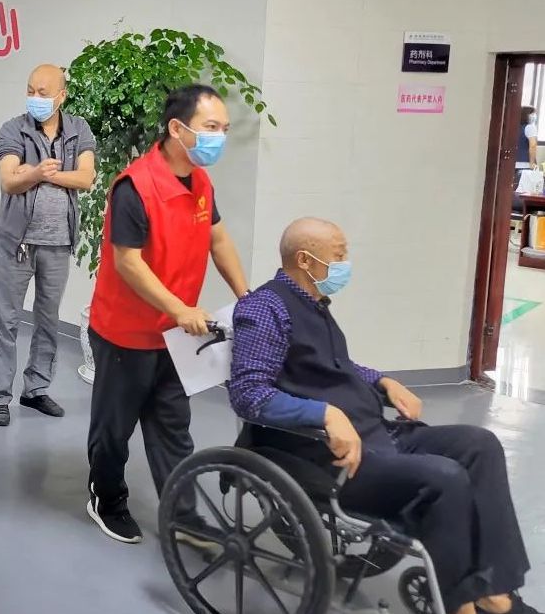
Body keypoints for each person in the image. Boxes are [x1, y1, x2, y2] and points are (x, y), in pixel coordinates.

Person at [229, 217, 538, 614]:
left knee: (480, 444)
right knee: (445, 478)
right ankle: (460, 603)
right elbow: (248, 393)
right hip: (329, 458)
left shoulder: (313, 303)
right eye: (339, 255)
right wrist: (323, 413)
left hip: (375, 433)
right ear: (305, 260)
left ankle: (492, 590)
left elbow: (337, 367)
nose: (345, 263)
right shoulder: (265, 308)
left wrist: (383, 381)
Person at [86, 84, 249, 544]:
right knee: (114, 428)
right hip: (126, 332)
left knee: (173, 426)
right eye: (210, 127)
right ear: (177, 129)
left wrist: (247, 295)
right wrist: (178, 308)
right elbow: (128, 262)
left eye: (224, 128)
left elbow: (218, 238)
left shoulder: (201, 182)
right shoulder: (135, 186)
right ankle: (106, 499)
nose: (219, 137)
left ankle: (183, 515)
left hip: (175, 337)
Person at [0, 64, 96, 427]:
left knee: (48, 321)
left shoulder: (79, 129)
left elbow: (87, 178)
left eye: (43, 92)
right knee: (6, 320)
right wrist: (35, 173)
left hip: (58, 242)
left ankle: (35, 390)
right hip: (16, 242)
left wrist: (40, 174)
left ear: (61, 95)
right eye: (30, 90)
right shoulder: (13, 129)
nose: (35, 98)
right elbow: (8, 181)